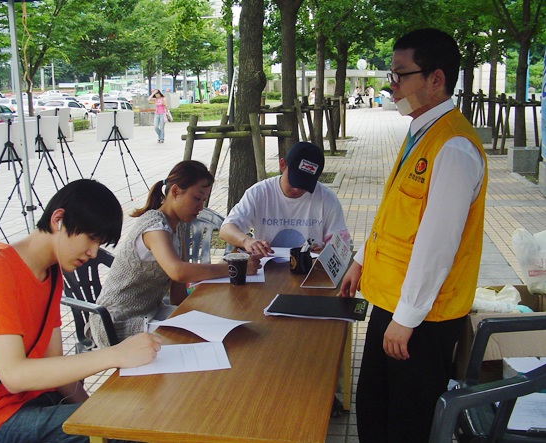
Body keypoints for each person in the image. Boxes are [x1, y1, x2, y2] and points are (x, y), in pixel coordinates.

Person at [338, 28, 487, 443]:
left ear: (435, 78)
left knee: (405, 424)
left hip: (423, 317)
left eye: (401, 74)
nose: (392, 84)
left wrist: (405, 320)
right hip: (393, 302)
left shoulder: (453, 147)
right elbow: (395, 213)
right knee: (373, 408)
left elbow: (437, 246)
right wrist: (362, 261)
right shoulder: (420, 130)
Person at [0, 179, 162, 443]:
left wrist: (96, 417)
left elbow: (57, 372)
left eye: (100, 243)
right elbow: (14, 375)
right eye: (91, 238)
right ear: (58, 220)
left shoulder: (51, 274)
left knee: (126, 418)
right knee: (129, 423)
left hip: (30, 403)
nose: (93, 252)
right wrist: (115, 355)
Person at [88, 160, 261, 348]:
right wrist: (233, 268)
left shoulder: (176, 227)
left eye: (203, 200)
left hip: (147, 316)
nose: (201, 207)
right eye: (197, 198)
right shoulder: (154, 226)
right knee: (198, 343)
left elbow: (178, 293)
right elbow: (178, 271)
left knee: (216, 332)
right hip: (118, 323)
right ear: (176, 191)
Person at [219, 141, 350, 256]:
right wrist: (246, 241)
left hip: (308, 270)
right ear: (282, 165)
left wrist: (324, 252)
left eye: (305, 184)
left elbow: (343, 246)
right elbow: (226, 229)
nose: (297, 189)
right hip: (266, 269)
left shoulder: (327, 198)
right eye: (294, 181)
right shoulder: (259, 192)